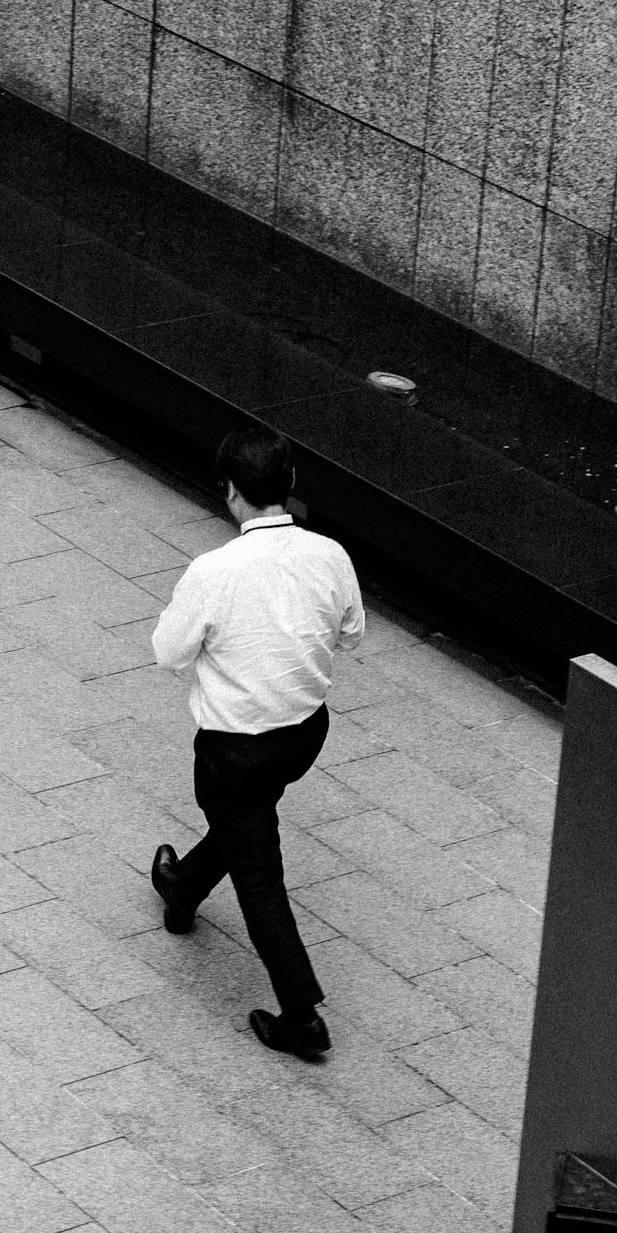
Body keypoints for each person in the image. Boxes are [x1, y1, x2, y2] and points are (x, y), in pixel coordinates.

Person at [145, 424, 365, 1057]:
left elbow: (168, 652)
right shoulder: (330, 555)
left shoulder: (214, 570)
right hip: (303, 737)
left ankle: (302, 1018)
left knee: (260, 878)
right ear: (290, 485)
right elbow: (350, 635)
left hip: (234, 751)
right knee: (247, 825)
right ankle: (182, 887)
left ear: (232, 493)